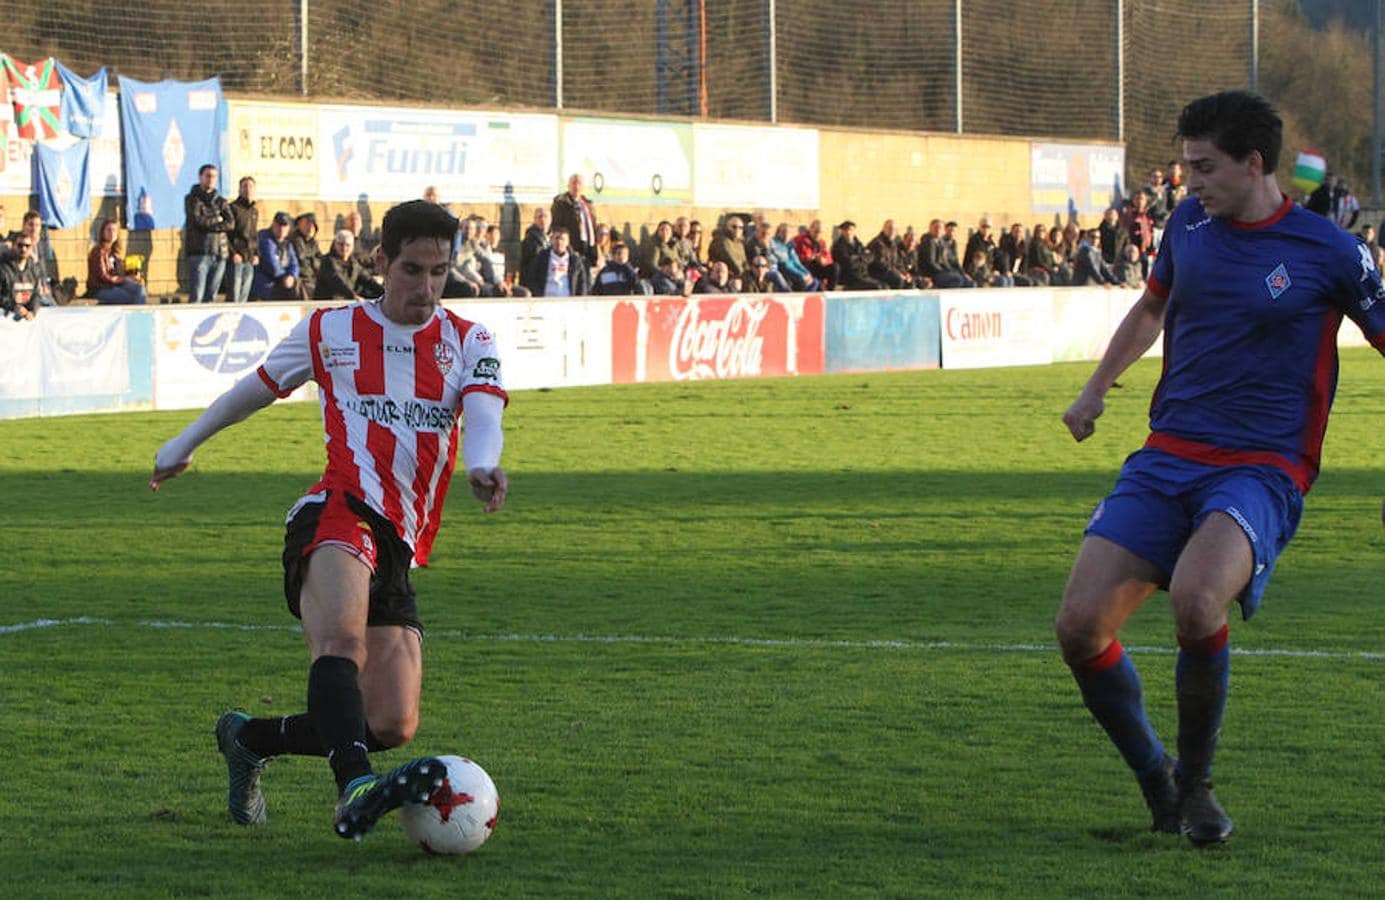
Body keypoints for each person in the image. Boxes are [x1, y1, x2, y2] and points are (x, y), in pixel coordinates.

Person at [1056, 91, 1385, 848]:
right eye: (1184, 166)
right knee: (1078, 627)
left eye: (1203, 167)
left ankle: (1198, 786)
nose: (1189, 182)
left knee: (1198, 599)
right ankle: (1157, 780)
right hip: (1167, 455)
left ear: (1254, 163)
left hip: (1263, 465)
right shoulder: (1186, 226)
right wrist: (1095, 388)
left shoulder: (1329, 251)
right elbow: (1149, 309)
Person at [149, 199, 509, 841]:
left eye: (438, 272)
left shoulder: (468, 338)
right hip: (337, 510)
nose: (425, 287)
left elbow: (484, 413)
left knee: (393, 722)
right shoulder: (330, 331)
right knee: (339, 644)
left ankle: (249, 738)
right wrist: (186, 441)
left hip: (400, 538)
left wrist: (483, 464)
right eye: (411, 269)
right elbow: (254, 387)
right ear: (380, 261)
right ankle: (356, 787)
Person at [184, 164, 234, 302]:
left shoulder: (220, 201)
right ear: (200, 177)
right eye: (208, 176)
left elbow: (230, 223)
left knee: (211, 295)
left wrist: (213, 222)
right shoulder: (192, 199)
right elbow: (198, 222)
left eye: (214, 176)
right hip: (200, 252)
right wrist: (218, 220)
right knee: (197, 295)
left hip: (220, 252)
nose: (211, 179)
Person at [86, 217, 148, 304]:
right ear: (102, 232)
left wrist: (132, 277)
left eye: (114, 230)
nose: (111, 233)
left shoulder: (113, 252)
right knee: (128, 297)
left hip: (115, 284)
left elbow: (118, 272)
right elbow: (103, 276)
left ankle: (140, 314)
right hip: (100, 288)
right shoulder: (98, 251)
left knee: (140, 288)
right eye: (108, 230)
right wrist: (123, 279)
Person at [526, 227, 590, 297]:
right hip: (546, 300)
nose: (559, 242)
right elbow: (531, 279)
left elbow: (582, 283)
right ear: (551, 240)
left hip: (568, 301)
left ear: (568, 242)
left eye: (562, 239)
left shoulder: (575, 261)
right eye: (556, 238)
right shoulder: (541, 257)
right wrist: (538, 295)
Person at [550, 173, 597, 266]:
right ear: (568, 186)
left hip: (589, 248)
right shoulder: (561, 203)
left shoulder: (588, 204)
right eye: (574, 183)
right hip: (572, 248)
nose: (576, 186)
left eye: (579, 183)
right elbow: (557, 227)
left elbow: (594, 226)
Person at [314, 230, 375, 300]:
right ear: (335, 244)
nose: (344, 248)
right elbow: (337, 281)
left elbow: (368, 280)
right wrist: (353, 296)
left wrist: (384, 292)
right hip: (327, 304)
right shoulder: (327, 262)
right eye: (341, 244)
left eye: (347, 245)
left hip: (345, 304)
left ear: (352, 246)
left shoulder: (354, 264)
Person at [252, 211, 300, 301]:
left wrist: (292, 276)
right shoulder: (265, 238)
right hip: (266, 284)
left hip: (280, 281)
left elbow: (294, 263)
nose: (281, 229)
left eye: (285, 227)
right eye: (279, 226)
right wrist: (284, 277)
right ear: (273, 224)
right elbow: (271, 264)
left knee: (299, 285)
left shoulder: (287, 244)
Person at [227, 177, 259, 303]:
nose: (248, 189)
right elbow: (227, 234)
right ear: (239, 189)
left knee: (244, 295)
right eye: (245, 186)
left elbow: (254, 235)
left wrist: (256, 254)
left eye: (250, 186)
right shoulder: (233, 208)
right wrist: (233, 253)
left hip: (249, 258)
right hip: (237, 257)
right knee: (234, 295)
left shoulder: (254, 211)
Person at [0, 231, 42, 320]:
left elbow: (37, 294)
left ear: (31, 248)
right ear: (13, 246)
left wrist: (33, 311)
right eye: (20, 245)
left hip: (26, 322)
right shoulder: (3, 268)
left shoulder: (34, 270)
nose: (23, 249)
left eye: (27, 246)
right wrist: (14, 307)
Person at [291, 213, 323, 301]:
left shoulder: (313, 243)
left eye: (313, 226)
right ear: (299, 225)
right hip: (300, 277)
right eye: (307, 224)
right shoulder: (296, 239)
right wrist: (313, 259)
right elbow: (301, 257)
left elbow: (321, 260)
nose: (310, 228)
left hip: (313, 277)